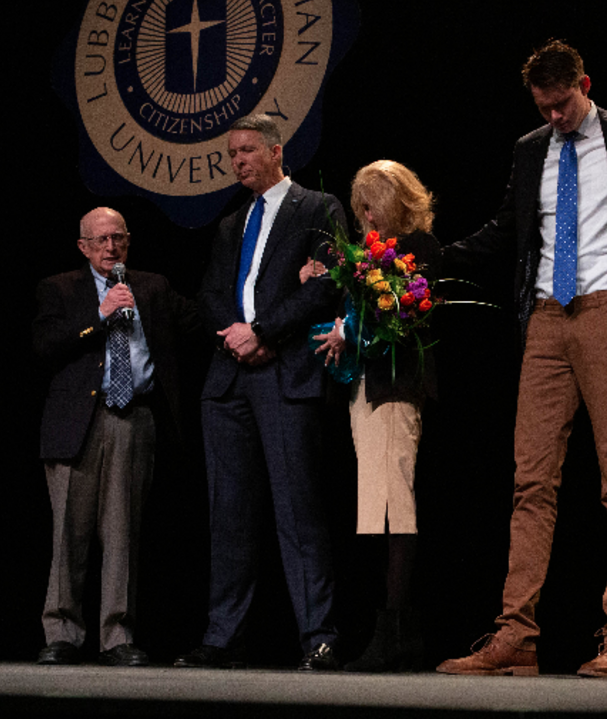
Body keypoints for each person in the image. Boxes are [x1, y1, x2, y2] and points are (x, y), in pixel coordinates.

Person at [435, 40, 607, 678]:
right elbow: (506, 229)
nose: (555, 117)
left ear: (584, 84)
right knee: (530, 482)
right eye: (543, 107)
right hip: (543, 322)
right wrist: (432, 257)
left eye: (562, 104)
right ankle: (516, 635)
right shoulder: (531, 149)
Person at [175, 113, 345, 671]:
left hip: (284, 374)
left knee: (298, 511)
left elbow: (326, 284)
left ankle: (317, 636)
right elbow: (209, 294)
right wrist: (234, 338)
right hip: (228, 383)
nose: (238, 161)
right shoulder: (230, 224)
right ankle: (222, 637)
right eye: (232, 153)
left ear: (276, 151)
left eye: (247, 150)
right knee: (229, 514)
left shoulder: (318, 208)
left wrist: (266, 332)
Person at [33, 206, 197, 667]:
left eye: (118, 238)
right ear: (83, 247)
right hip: (78, 422)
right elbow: (45, 346)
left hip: (133, 420)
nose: (111, 247)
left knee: (123, 532)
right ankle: (62, 633)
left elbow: (199, 320)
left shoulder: (152, 286)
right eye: (101, 240)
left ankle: (116, 636)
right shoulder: (60, 288)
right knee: (70, 532)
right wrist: (99, 315)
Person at [306, 160, 442, 672]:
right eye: (360, 206)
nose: (364, 216)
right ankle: (390, 630)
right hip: (366, 392)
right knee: (377, 510)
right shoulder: (366, 257)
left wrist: (352, 327)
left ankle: (396, 632)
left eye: (372, 205)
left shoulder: (420, 251)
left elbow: (405, 321)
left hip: (395, 390)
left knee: (394, 509)